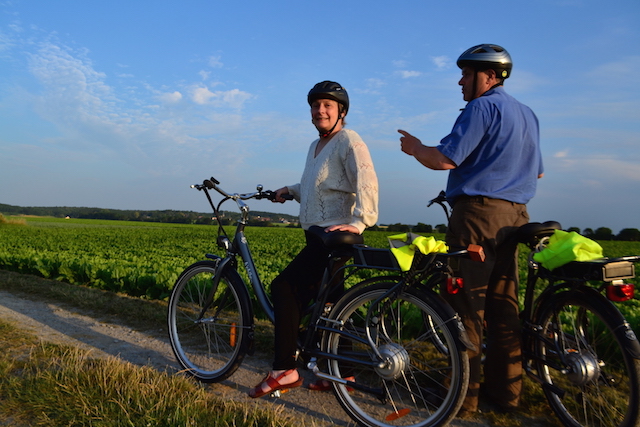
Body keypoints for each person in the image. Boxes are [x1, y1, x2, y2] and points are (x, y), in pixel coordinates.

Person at [398, 44, 544, 415]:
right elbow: (538, 170)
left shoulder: (482, 107)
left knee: (463, 307)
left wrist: (415, 147)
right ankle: (506, 397)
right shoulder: (527, 114)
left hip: (478, 215)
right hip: (517, 217)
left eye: (467, 74)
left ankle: (461, 398)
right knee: (503, 308)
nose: (460, 81)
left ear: (489, 76)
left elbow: (444, 158)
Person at [249, 81, 379, 398]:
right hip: (317, 236)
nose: (320, 110)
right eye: (316, 105)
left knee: (284, 287)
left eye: (328, 106)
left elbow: (366, 178)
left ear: (341, 112)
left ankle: (284, 369)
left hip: (333, 237)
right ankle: (340, 374)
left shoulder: (348, 139)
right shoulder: (316, 146)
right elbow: (317, 184)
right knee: (333, 304)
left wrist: (360, 221)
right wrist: (290, 191)